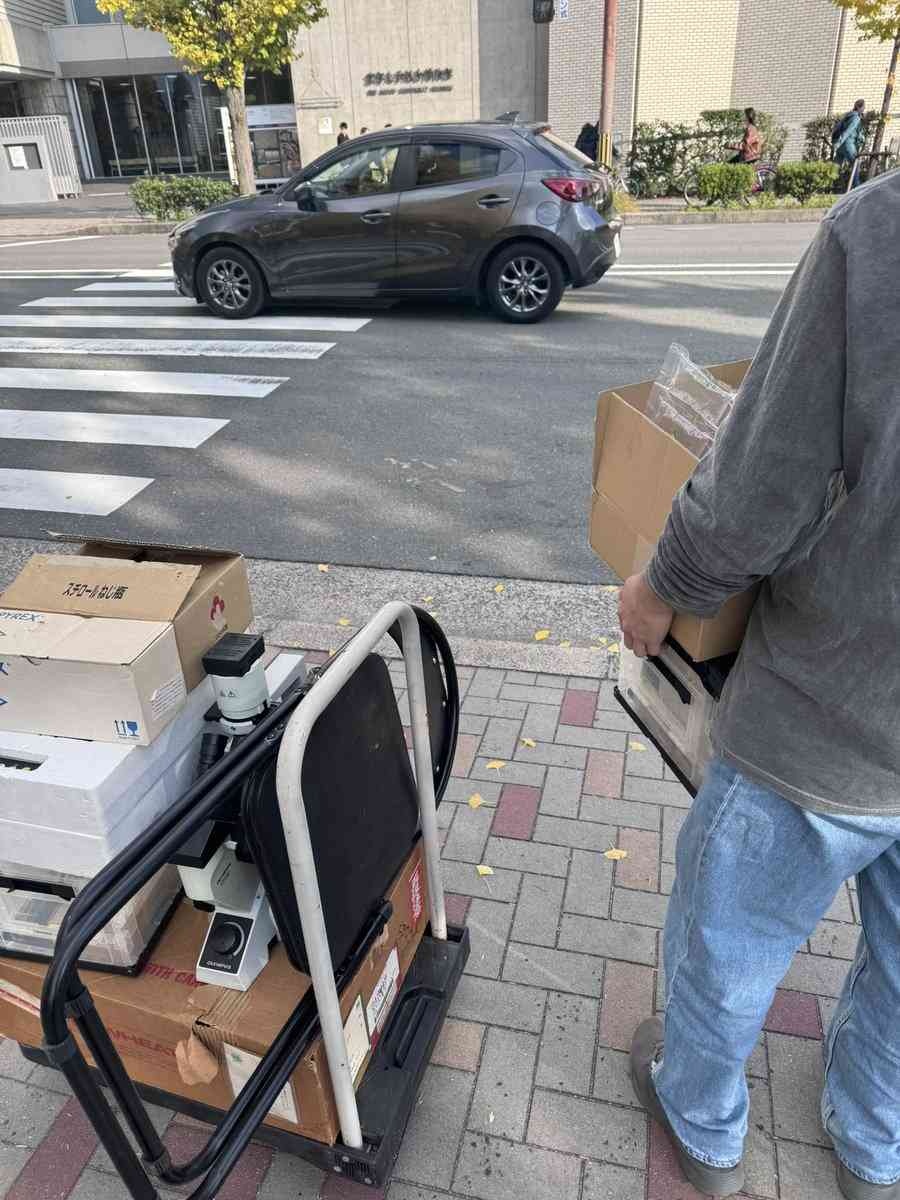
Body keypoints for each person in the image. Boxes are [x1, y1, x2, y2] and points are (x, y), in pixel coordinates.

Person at [618, 169, 900, 1200]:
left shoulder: (881, 230)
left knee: (729, 942)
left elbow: (761, 480)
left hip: (830, 706)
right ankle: (875, 1146)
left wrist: (663, 588)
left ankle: (704, 1127)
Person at [833, 99, 867, 185]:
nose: (864, 109)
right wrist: (839, 142)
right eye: (863, 107)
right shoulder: (856, 118)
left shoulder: (847, 116)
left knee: (835, 167)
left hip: (840, 146)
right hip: (848, 144)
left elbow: (838, 128)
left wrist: (837, 143)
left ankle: (828, 184)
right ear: (859, 107)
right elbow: (848, 131)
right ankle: (856, 187)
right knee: (855, 164)